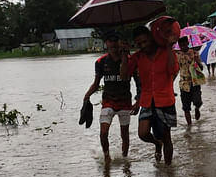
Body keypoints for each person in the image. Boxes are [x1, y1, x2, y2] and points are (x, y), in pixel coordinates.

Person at [121, 25, 179, 164]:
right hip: (147, 100)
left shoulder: (165, 52)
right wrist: (124, 56)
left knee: (166, 137)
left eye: (145, 42)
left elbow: (173, 70)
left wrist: (170, 47)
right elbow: (124, 76)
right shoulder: (137, 57)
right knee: (143, 133)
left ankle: (168, 173)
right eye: (139, 43)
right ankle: (156, 144)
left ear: (152, 39)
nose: (143, 46)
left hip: (165, 99)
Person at [83, 30, 140, 162]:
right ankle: (107, 157)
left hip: (125, 102)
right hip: (108, 101)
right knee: (103, 133)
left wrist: (138, 101)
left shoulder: (130, 60)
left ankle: (125, 160)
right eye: (110, 41)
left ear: (120, 43)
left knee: (124, 134)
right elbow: (96, 83)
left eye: (116, 40)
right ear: (106, 43)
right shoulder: (100, 62)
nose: (113, 44)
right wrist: (86, 96)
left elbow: (139, 83)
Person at [176, 36, 204, 125]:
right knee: (186, 107)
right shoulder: (177, 56)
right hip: (183, 84)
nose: (183, 46)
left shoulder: (194, 53)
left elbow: (201, 68)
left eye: (184, 44)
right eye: (181, 45)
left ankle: (197, 109)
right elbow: (174, 70)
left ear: (188, 43)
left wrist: (197, 61)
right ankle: (189, 126)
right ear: (179, 45)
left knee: (198, 101)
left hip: (195, 81)